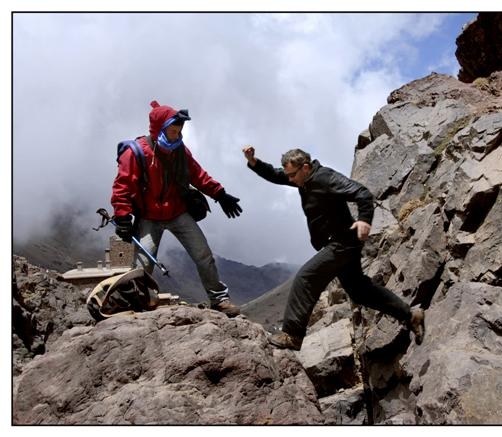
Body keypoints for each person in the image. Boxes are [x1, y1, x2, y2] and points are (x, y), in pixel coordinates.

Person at [242, 146, 424, 350]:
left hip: (343, 242)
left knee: (306, 277)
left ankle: (292, 335)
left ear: (306, 167)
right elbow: (276, 175)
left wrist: (364, 220)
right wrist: (253, 161)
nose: (290, 179)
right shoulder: (302, 180)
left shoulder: (325, 178)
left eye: (293, 175)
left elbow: (362, 193)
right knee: (359, 291)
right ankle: (411, 315)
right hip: (338, 243)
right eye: (289, 175)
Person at [111, 100, 242, 317]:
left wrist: (220, 194)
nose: (177, 136)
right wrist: (122, 216)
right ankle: (136, 303)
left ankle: (219, 300)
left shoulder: (179, 150)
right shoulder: (136, 153)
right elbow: (122, 186)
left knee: (203, 254)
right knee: (142, 265)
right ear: (158, 129)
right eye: (172, 131)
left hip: (178, 212)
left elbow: (198, 175)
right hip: (149, 216)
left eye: (179, 131)